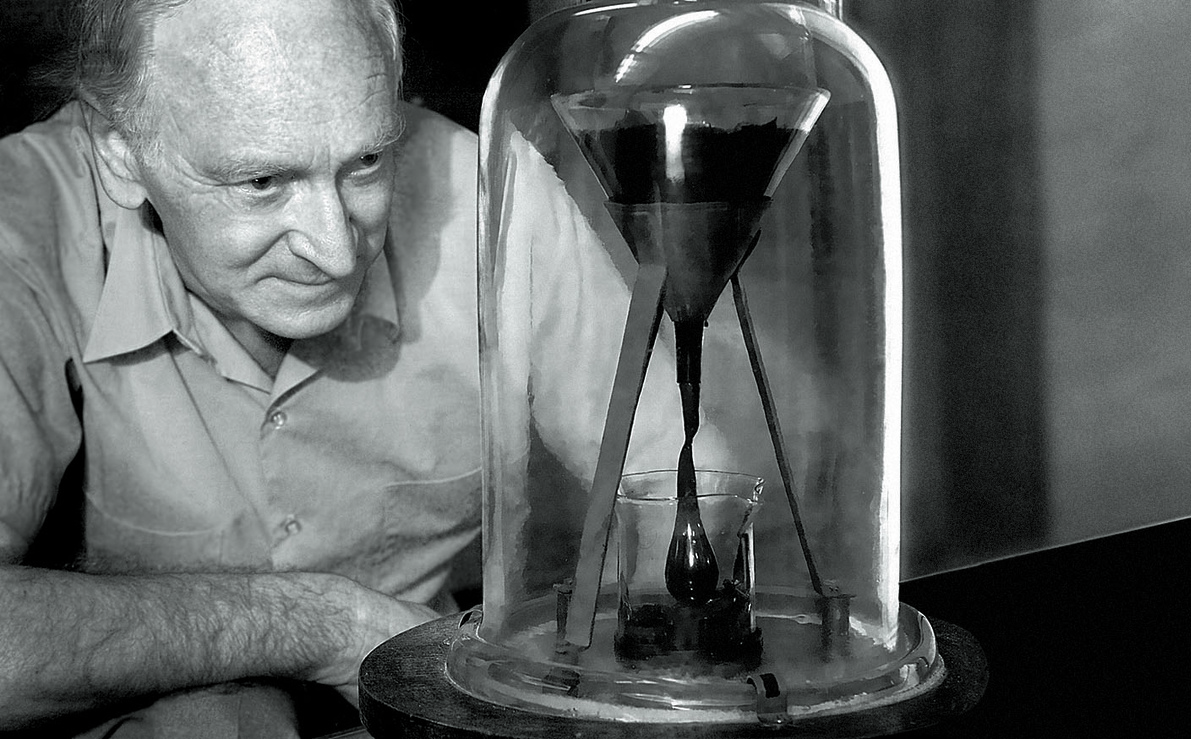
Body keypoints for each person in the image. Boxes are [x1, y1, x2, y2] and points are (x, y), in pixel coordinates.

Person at [0, 0, 708, 735]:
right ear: (118, 151)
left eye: (366, 162)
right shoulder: (22, 219)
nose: (338, 253)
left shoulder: (483, 190)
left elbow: (693, 490)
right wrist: (330, 624)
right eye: (262, 182)